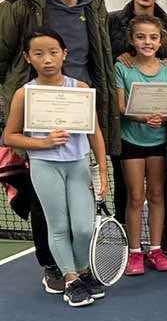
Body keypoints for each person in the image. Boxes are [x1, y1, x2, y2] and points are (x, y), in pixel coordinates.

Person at [0, 0, 121, 295]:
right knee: (44, 206)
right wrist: (12, 106)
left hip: (80, 116)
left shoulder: (94, 6)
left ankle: (79, 269)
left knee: (81, 215)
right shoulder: (21, 7)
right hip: (37, 122)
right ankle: (56, 268)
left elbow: (101, 55)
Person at [2, 29, 109, 306]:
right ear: (28, 58)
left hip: (78, 166)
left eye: (53, 52)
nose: (47, 59)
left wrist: (103, 170)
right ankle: (72, 279)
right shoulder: (24, 95)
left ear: (64, 54)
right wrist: (44, 143)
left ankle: (84, 271)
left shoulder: (81, 89)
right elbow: (10, 137)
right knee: (59, 226)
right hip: (45, 167)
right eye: (38, 54)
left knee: (84, 228)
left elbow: (94, 131)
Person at [108, 0, 167, 257]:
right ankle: (131, 245)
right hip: (127, 128)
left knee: (159, 188)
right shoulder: (112, 21)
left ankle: (158, 242)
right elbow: (104, 60)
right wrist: (120, 58)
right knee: (128, 190)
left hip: (161, 128)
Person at [115, 15, 167, 275]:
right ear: (132, 39)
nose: (147, 42)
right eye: (141, 37)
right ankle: (135, 252)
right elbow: (120, 107)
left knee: (157, 195)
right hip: (131, 141)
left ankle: (155, 249)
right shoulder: (122, 69)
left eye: (153, 37)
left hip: (159, 143)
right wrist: (141, 117)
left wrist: (165, 116)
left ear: (160, 40)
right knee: (136, 198)